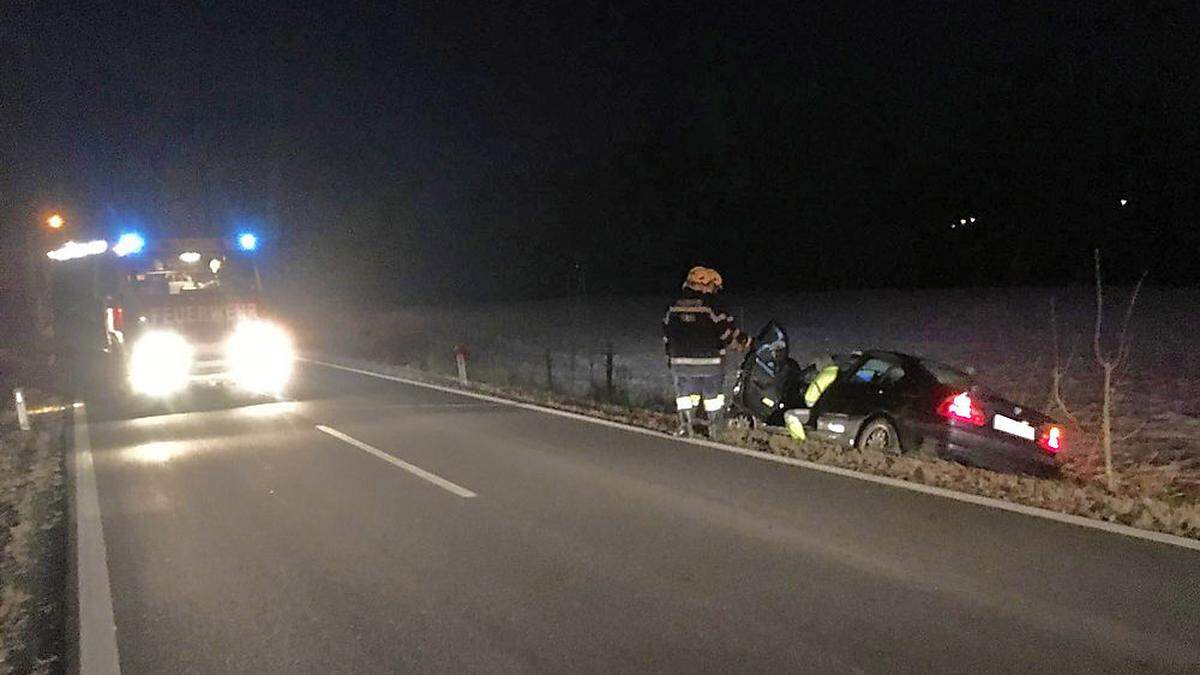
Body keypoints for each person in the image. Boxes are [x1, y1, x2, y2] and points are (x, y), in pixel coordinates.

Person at [662, 266, 751, 437]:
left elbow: (666, 334)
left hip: (680, 364)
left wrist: (670, 357)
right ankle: (715, 430)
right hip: (711, 363)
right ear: (706, 285)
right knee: (713, 400)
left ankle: (686, 426)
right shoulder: (713, 306)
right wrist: (745, 343)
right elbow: (726, 333)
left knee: (686, 397)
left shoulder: (673, 307)